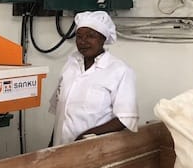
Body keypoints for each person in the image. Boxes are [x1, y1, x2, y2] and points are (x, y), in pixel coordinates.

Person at [49, 11, 138, 146]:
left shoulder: (120, 71)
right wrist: (51, 146)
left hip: (95, 150)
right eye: (79, 36)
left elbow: (124, 119)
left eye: (91, 36)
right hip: (61, 148)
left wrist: (86, 137)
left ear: (103, 38)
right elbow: (61, 115)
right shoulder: (70, 65)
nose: (83, 41)